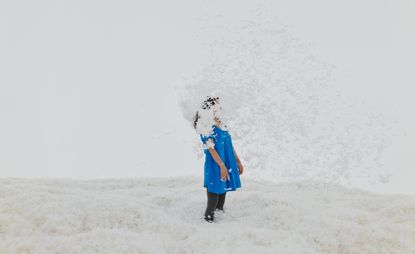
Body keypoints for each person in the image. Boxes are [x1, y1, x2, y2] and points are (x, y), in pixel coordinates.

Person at [193, 96, 244, 223]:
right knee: (213, 200)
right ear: (209, 108)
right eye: (216, 105)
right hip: (215, 165)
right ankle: (208, 224)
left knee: (222, 198)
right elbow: (211, 149)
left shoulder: (223, 123)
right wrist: (221, 166)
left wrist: (238, 161)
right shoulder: (206, 126)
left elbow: (229, 145)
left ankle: (220, 228)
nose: (219, 107)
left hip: (226, 162)